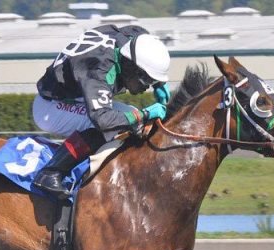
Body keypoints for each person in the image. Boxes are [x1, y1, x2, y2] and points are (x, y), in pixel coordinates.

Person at [30, 25, 171, 199]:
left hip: (73, 93)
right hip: (51, 108)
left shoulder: (131, 44)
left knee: (131, 116)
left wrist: (159, 83)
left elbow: (141, 35)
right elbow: (102, 119)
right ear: (132, 68)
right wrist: (146, 114)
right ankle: (50, 173)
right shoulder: (99, 71)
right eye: (146, 80)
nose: (146, 87)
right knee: (117, 123)